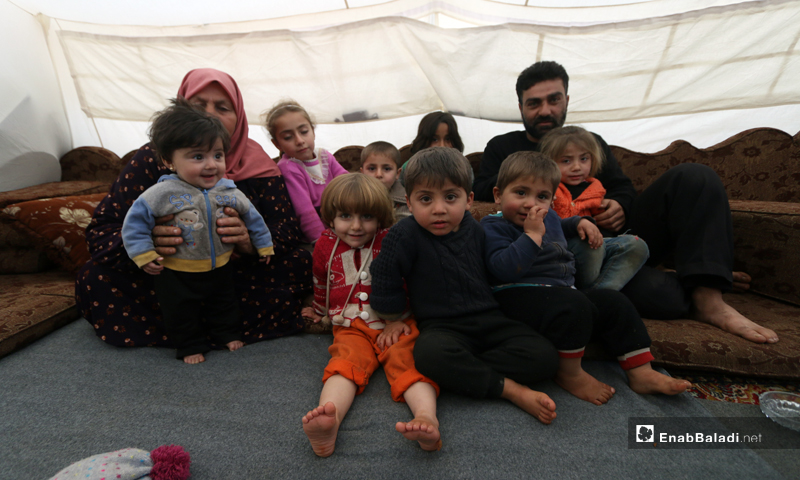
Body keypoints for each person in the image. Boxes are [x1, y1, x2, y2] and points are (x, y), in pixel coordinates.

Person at [473, 60, 778, 344]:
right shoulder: (505, 148)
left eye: (553, 99)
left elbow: (622, 187)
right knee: (667, 299)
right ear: (520, 107)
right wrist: (536, 182)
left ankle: (710, 297)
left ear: (567, 100)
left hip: (614, 243)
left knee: (694, 177)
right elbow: (486, 190)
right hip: (561, 258)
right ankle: (695, 275)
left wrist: (619, 204)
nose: (545, 110)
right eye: (534, 103)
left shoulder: (589, 143)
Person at [76, 68, 312, 349]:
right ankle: (218, 329)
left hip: (233, 275)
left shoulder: (259, 164)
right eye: (199, 105)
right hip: (168, 278)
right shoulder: (152, 159)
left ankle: (188, 332)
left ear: (238, 117)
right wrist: (147, 241)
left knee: (300, 262)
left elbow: (287, 229)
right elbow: (101, 230)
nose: (211, 114)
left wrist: (249, 243)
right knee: (95, 276)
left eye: (222, 107)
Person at [370, 147, 561, 425]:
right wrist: (392, 318)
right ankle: (510, 389)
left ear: (469, 199)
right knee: (430, 356)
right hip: (442, 326)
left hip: (489, 318)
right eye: (426, 199)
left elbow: (495, 268)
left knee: (545, 357)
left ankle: (465, 371)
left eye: (450, 197)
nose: (439, 209)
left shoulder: (477, 228)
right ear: (409, 203)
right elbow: (385, 274)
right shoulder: (404, 234)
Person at [482, 151, 691, 403]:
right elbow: (502, 268)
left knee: (615, 302)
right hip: (517, 297)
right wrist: (531, 237)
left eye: (542, 196)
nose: (531, 204)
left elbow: (562, 223)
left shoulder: (549, 218)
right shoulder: (493, 226)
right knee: (576, 304)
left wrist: (581, 222)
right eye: (521, 193)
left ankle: (641, 372)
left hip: (561, 296)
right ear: (497, 195)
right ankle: (570, 373)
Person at [121, 97, 274, 364]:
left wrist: (263, 246)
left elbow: (254, 219)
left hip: (221, 265)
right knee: (180, 310)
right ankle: (190, 345)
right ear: (170, 160)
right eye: (197, 157)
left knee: (225, 302)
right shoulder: (160, 193)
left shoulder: (228, 190)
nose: (211, 164)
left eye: (217, 155)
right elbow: (133, 225)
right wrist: (144, 255)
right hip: (176, 270)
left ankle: (227, 333)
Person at [300, 173, 440, 457]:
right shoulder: (324, 245)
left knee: (407, 360)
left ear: (379, 216)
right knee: (344, 363)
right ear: (330, 217)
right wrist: (318, 310)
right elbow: (321, 281)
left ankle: (427, 417)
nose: (355, 226)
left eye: (366, 216)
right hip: (351, 324)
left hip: (397, 321)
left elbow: (410, 280)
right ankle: (331, 420)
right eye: (344, 216)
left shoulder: (392, 240)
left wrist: (399, 319)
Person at [540, 125, 649, 291]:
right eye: (566, 161)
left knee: (636, 245)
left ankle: (601, 293)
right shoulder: (548, 189)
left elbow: (604, 216)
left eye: (584, 159)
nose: (576, 167)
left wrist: (610, 210)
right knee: (590, 245)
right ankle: (594, 294)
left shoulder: (596, 188)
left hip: (599, 244)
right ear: (550, 163)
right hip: (565, 248)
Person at [265, 100, 348, 245]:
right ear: (277, 144)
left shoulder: (325, 156)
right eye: (288, 137)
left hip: (343, 221)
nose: (299, 140)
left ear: (313, 132)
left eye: (304, 132)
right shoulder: (289, 167)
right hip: (320, 232)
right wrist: (322, 242)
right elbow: (305, 212)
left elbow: (347, 182)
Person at [359, 141, 410, 220]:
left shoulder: (406, 202)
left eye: (387, 169)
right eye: (372, 169)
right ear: (362, 172)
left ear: (397, 173)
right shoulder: (353, 197)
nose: (378, 174)